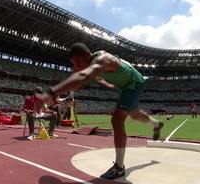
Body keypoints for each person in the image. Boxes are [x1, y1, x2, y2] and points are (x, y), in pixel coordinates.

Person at [38, 43, 163, 180]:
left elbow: (84, 76)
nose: (77, 65)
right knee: (135, 115)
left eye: (79, 61)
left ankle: (119, 167)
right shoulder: (88, 64)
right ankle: (156, 125)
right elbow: (80, 74)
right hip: (124, 86)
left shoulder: (102, 59)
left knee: (116, 120)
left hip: (134, 82)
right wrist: (106, 82)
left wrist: (52, 91)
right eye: (74, 63)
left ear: (87, 55)